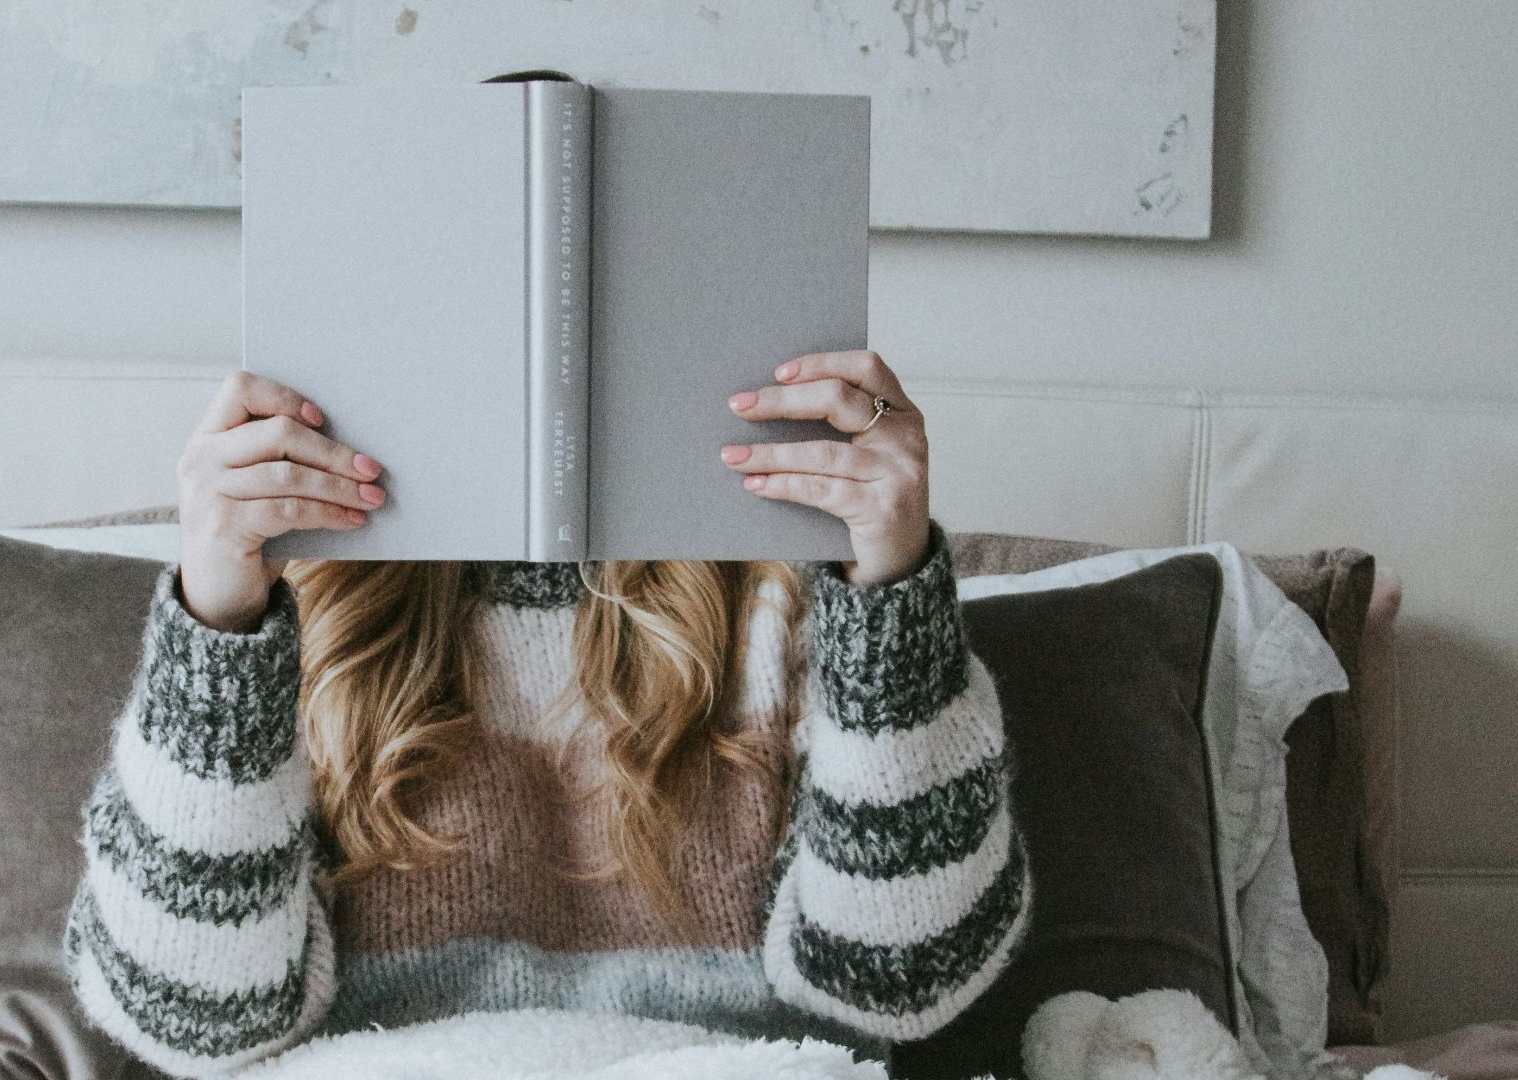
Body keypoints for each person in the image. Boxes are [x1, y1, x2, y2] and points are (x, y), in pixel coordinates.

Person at [60, 348, 1031, 1077]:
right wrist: (220, 620)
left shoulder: (799, 598)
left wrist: (893, 595)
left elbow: (904, 976)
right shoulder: (300, 612)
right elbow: (186, 1008)